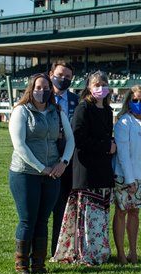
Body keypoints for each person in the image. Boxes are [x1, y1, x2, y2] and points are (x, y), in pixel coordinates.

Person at [9, 73, 74, 274]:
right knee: (27, 219)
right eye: (38, 87)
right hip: (25, 173)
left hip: (52, 175)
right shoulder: (21, 111)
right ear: (31, 88)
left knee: (43, 220)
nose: (42, 91)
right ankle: (22, 264)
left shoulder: (57, 111)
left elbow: (71, 140)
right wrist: (41, 167)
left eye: (46, 88)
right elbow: (19, 144)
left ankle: (38, 264)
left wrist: (63, 163)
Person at [52, 71, 116, 265]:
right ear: (89, 87)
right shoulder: (83, 108)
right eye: (96, 84)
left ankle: (98, 251)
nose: (100, 88)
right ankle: (83, 252)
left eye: (103, 84)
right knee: (87, 215)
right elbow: (79, 138)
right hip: (86, 168)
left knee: (100, 215)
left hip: (103, 169)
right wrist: (106, 146)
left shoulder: (107, 110)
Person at [112, 85, 141, 265]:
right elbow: (123, 153)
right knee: (121, 212)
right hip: (125, 174)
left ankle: (133, 252)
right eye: (135, 100)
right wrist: (130, 179)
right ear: (128, 101)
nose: (138, 104)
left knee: (135, 212)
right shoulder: (124, 122)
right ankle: (121, 254)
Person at [49, 60, 79, 256]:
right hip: (46, 158)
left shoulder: (76, 101)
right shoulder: (42, 97)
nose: (63, 79)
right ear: (51, 74)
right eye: (60, 75)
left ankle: (58, 251)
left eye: (67, 77)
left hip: (69, 160)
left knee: (64, 208)